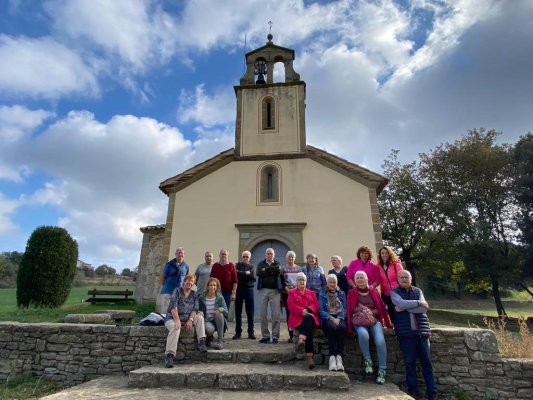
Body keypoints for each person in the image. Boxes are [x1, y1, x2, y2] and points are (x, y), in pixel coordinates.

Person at [391, 270, 438, 400]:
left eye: (406, 277)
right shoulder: (394, 292)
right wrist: (417, 303)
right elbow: (400, 304)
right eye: (401, 277)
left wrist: (405, 306)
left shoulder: (418, 291)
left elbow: (424, 308)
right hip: (406, 335)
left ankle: (432, 393)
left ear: (410, 279)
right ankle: (413, 393)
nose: (404, 279)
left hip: (422, 334)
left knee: (427, 364)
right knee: (409, 364)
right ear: (398, 279)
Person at [347, 271, 392, 384]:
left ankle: (382, 369)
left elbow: (380, 308)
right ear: (355, 281)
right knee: (363, 334)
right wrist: (362, 311)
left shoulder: (373, 291)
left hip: (374, 320)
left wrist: (371, 312)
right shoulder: (351, 293)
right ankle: (367, 360)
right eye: (357, 278)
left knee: (380, 341)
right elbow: (350, 309)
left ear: (367, 279)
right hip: (359, 320)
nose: (359, 280)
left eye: (362, 278)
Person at [163, 274, 207, 368]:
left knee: (199, 317)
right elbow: (173, 307)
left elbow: (195, 309)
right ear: (184, 281)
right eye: (188, 280)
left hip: (187, 318)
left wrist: (190, 320)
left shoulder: (194, 294)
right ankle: (169, 355)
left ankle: (201, 342)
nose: (190, 283)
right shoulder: (177, 291)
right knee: (176, 328)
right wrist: (177, 320)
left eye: (192, 281)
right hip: (173, 317)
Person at [287, 272, 320, 369]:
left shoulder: (312, 293)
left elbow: (316, 305)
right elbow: (291, 305)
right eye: (300, 280)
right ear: (296, 282)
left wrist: (309, 310)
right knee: (308, 330)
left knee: (309, 318)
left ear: (306, 282)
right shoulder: (292, 293)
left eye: (303, 280)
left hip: (310, 317)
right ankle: (309, 358)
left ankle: (301, 339)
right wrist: (302, 311)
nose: (302, 281)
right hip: (297, 319)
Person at [318, 274, 347, 371]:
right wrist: (331, 318)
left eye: (334, 282)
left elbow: (344, 309)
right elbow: (321, 310)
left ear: (337, 283)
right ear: (327, 283)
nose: (332, 284)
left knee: (342, 328)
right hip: (328, 317)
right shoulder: (322, 293)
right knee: (332, 328)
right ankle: (332, 357)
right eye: (330, 282)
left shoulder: (341, 293)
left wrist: (339, 318)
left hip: (339, 317)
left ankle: (339, 356)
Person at [256, 248, 283, 344]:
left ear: (274, 255)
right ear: (265, 255)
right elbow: (259, 272)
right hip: (263, 290)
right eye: (268, 253)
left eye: (271, 254)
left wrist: (266, 270)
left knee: (275, 314)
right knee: (263, 314)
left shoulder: (277, 263)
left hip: (275, 291)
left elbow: (278, 270)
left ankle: (275, 336)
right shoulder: (260, 264)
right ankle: (265, 336)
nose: (269, 255)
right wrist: (271, 271)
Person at [198, 277, 228, 349]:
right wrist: (200, 312)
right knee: (209, 330)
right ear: (207, 286)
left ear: (217, 287)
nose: (212, 287)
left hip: (217, 320)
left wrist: (220, 309)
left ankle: (220, 340)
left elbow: (226, 311)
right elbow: (197, 309)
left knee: (220, 314)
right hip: (207, 320)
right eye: (210, 285)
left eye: (214, 285)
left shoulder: (220, 297)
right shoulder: (201, 297)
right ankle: (209, 337)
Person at [159, 247, 189, 314]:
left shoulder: (186, 266)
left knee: (176, 311)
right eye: (178, 253)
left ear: (184, 255)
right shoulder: (169, 264)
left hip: (179, 292)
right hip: (168, 290)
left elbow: (186, 278)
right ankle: (164, 324)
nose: (180, 254)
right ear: (175, 254)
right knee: (165, 310)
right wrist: (163, 286)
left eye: (182, 253)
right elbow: (163, 276)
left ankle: (173, 323)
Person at [233, 250, 256, 340]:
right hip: (239, 289)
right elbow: (235, 274)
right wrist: (245, 273)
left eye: (247, 257)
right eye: (244, 256)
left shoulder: (252, 266)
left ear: (250, 258)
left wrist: (240, 273)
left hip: (249, 289)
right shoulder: (237, 265)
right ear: (242, 257)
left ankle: (251, 332)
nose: (245, 258)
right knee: (238, 312)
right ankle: (238, 333)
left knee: (250, 312)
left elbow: (253, 277)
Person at [377, 246, 403, 322]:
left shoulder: (396, 264)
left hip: (397, 292)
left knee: (400, 313)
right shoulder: (378, 266)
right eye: (382, 253)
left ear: (390, 254)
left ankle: (402, 330)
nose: (384, 255)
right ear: (380, 255)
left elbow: (402, 277)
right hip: (386, 294)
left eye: (386, 253)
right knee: (391, 314)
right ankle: (395, 331)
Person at [281, 250, 303, 343]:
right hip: (287, 294)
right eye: (289, 257)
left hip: (297, 293)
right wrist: (287, 290)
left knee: (298, 313)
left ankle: (298, 333)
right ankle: (291, 335)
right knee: (289, 314)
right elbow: (282, 281)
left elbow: (301, 280)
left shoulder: (299, 269)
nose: (291, 258)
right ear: (286, 258)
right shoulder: (283, 269)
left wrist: (296, 289)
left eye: (292, 257)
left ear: (295, 258)